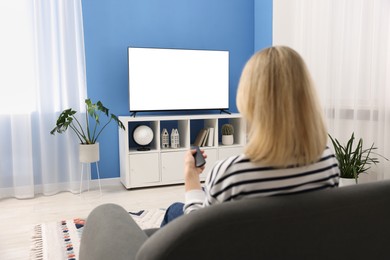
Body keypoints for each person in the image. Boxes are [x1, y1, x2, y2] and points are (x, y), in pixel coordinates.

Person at [160, 46, 340, 226]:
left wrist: (191, 178)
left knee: (174, 210)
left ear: (250, 99)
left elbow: (196, 232)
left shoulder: (231, 173)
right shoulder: (328, 161)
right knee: (207, 191)